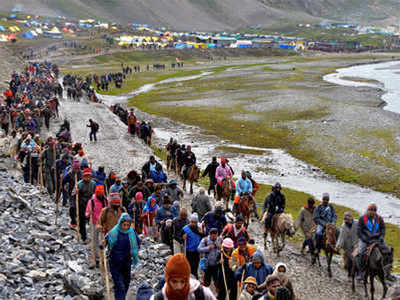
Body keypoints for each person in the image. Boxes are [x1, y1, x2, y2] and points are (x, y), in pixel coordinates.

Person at [150, 253, 216, 300]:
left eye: (182, 281)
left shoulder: (203, 294)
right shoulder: (158, 298)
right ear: (167, 279)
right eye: (174, 281)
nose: (179, 286)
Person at [105, 213, 139, 300]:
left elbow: (137, 243)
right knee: (120, 285)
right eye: (124, 225)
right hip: (115, 262)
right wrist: (103, 243)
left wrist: (134, 251)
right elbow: (106, 240)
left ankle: (119, 296)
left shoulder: (132, 232)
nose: (126, 227)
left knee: (126, 282)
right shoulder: (114, 232)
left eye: (128, 225)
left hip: (126, 262)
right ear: (120, 223)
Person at [357, 203, 394, 280]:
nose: (372, 212)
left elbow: (383, 229)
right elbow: (359, 232)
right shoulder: (362, 219)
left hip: (378, 239)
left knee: (388, 250)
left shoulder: (379, 218)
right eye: (371, 210)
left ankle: (388, 271)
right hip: (365, 240)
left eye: (374, 210)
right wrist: (366, 240)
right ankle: (361, 272)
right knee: (360, 252)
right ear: (368, 210)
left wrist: (381, 238)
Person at [85, 185, 108, 266]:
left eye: (101, 193)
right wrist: (89, 214)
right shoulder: (91, 201)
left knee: (103, 241)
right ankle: (96, 258)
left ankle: (103, 257)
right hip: (94, 222)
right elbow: (87, 213)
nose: (100, 195)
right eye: (99, 193)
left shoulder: (105, 200)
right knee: (95, 240)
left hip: (103, 223)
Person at [336, 211, 358, 276]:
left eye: (348, 218)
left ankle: (359, 273)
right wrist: (338, 246)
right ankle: (349, 273)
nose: (346, 220)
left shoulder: (357, 223)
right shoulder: (343, 226)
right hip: (347, 246)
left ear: (351, 217)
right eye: (345, 219)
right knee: (349, 261)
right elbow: (341, 237)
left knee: (356, 259)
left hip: (356, 244)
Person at [77, 168, 96, 242]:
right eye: (86, 176)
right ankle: (83, 236)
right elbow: (73, 194)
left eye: (89, 176)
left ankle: (93, 236)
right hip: (82, 203)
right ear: (83, 176)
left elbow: (95, 194)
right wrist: (76, 192)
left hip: (91, 203)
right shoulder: (79, 184)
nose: (87, 178)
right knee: (82, 220)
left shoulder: (93, 183)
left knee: (91, 219)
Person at [183, 213, 204, 278]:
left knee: (195, 265)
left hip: (197, 250)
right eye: (192, 222)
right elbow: (179, 238)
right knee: (190, 266)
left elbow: (203, 238)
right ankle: (191, 277)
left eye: (195, 222)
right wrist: (183, 238)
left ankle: (195, 277)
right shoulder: (185, 229)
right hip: (189, 251)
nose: (193, 224)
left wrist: (202, 233)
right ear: (190, 221)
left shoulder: (199, 228)